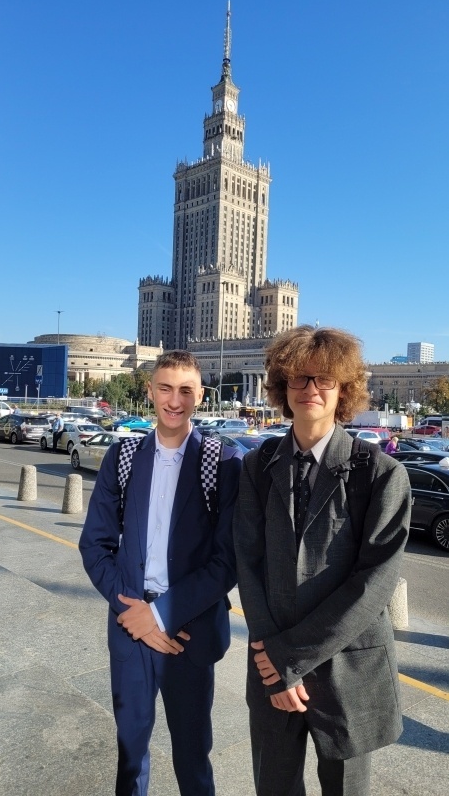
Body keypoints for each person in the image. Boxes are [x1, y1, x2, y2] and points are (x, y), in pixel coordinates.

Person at [233, 325, 411, 796]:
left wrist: (288, 658)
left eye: (324, 379)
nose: (310, 388)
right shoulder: (258, 467)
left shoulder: (381, 474)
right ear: (282, 387)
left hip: (348, 672)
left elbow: (374, 583)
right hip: (271, 671)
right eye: (299, 377)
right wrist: (274, 662)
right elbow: (248, 564)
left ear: (343, 390)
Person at [79, 350, 242, 796]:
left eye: (186, 391)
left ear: (201, 396)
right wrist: (132, 610)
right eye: (165, 388)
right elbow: (95, 545)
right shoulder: (123, 456)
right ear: (150, 391)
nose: (174, 400)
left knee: (193, 757)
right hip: (130, 627)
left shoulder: (223, 463)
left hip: (189, 631)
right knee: (130, 756)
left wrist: (160, 616)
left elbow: (226, 561)